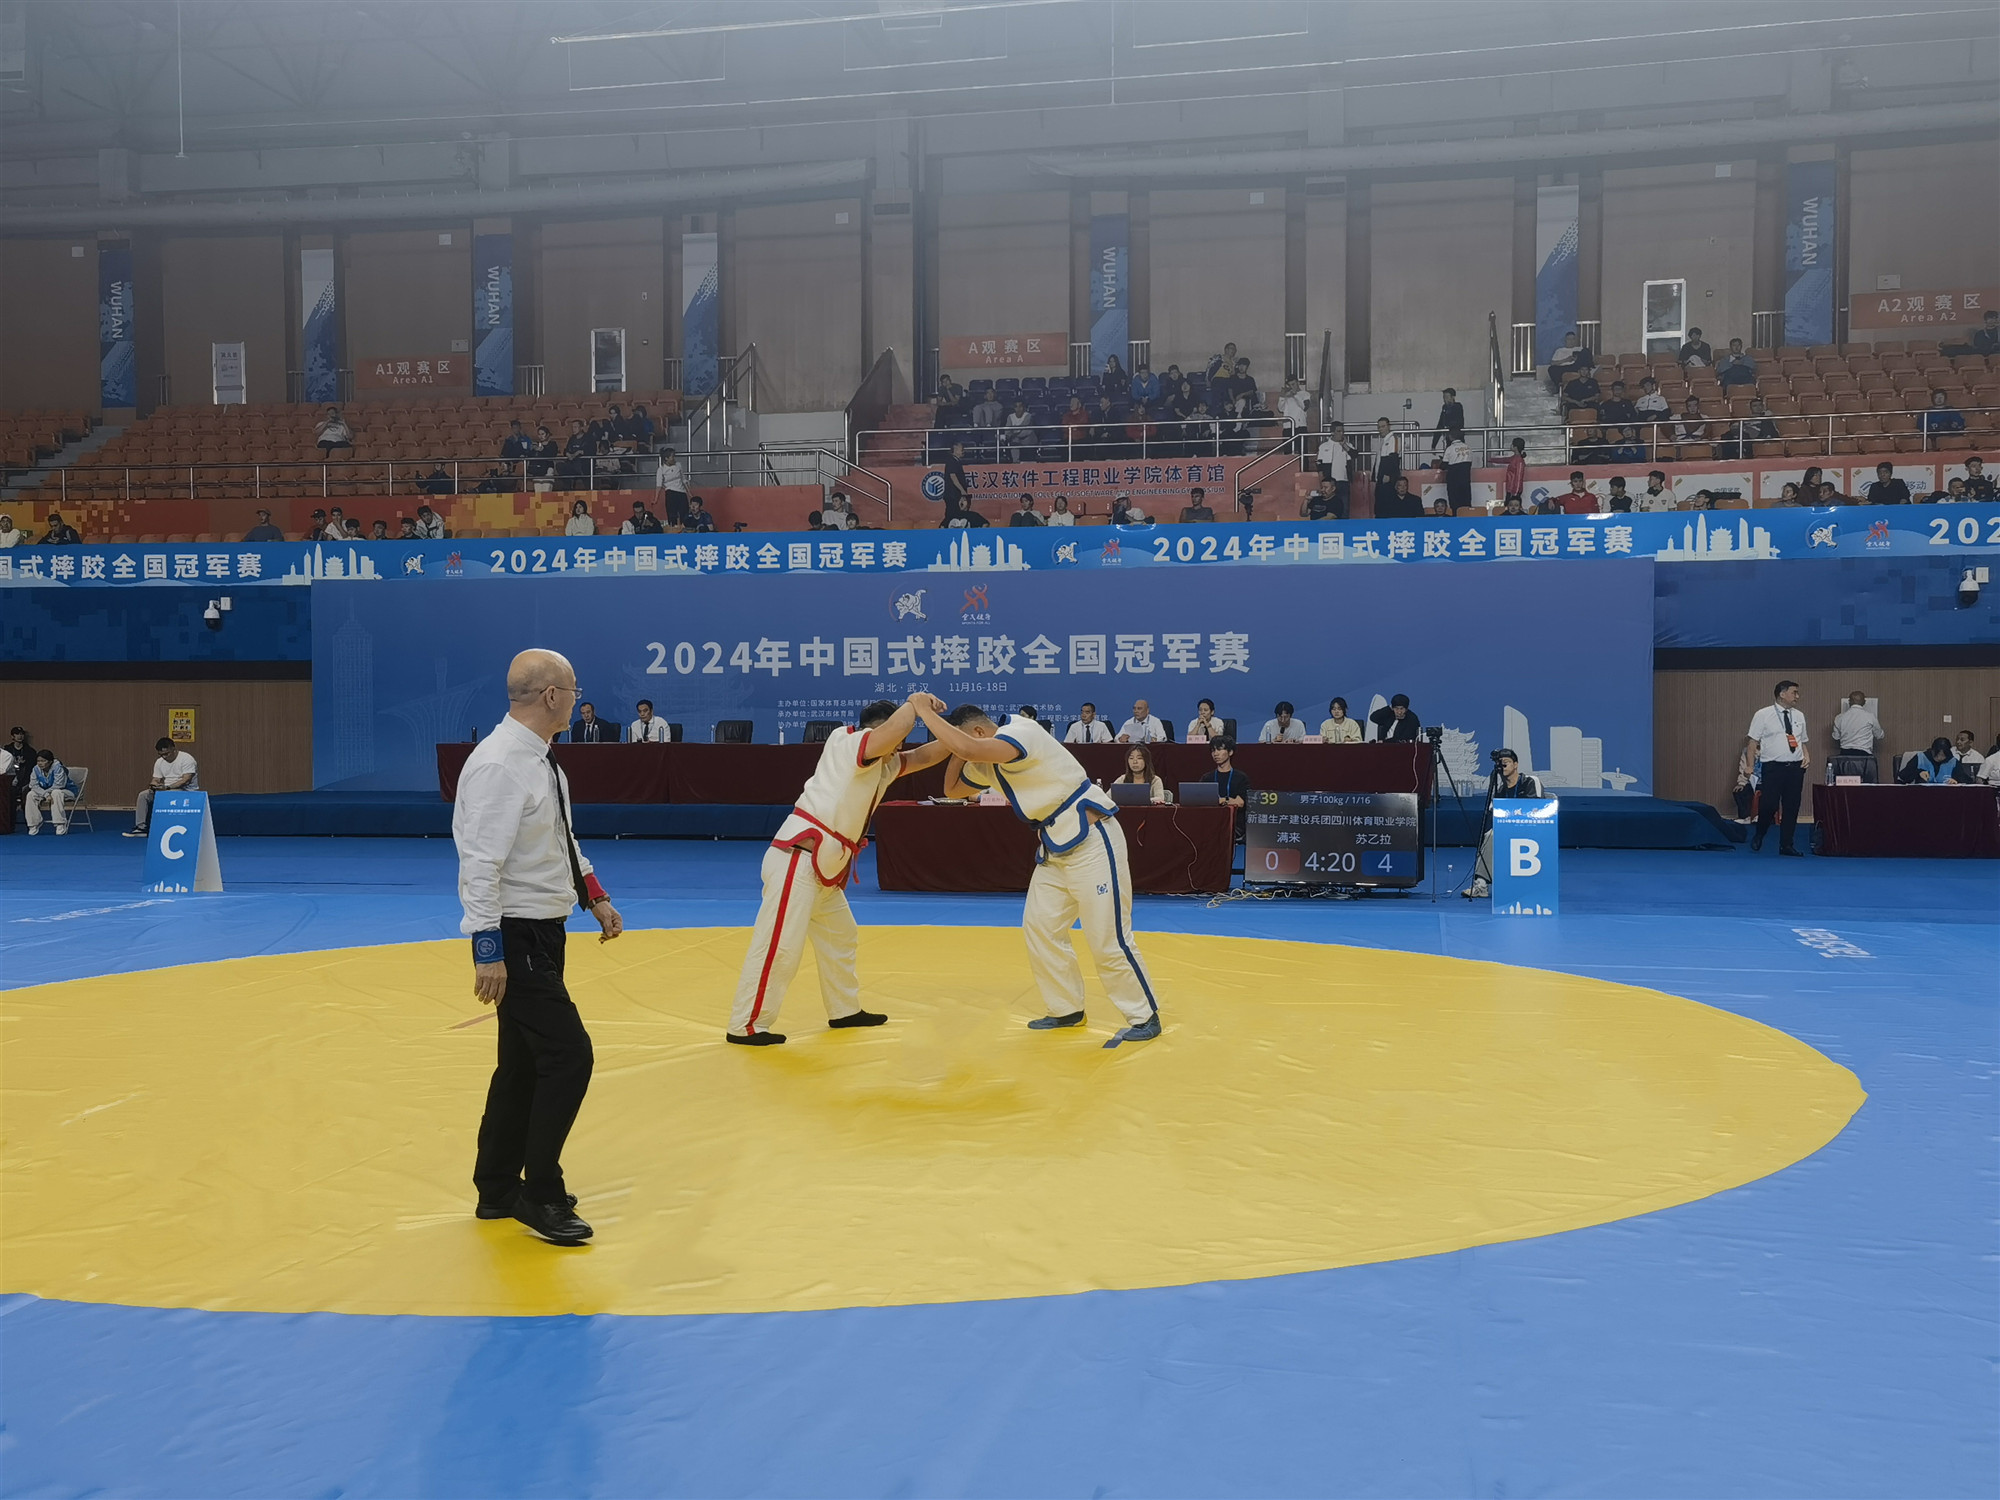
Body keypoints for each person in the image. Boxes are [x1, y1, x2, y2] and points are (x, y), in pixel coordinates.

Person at [453, 648, 622, 1246]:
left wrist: (593, 894)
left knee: (523, 1063)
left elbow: (560, 838)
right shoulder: (500, 764)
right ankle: (540, 1191)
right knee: (569, 1055)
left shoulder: (542, 760)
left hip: (546, 928)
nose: (577, 700)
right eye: (574, 690)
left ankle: (497, 1187)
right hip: (515, 931)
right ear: (551, 695)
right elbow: (480, 864)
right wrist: (488, 949)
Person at [919, 699, 1161, 1045]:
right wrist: (958, 747)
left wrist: (924, 712)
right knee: (1041, 928)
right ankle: (1066, 1008)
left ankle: (1144, 1015)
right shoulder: (986, 760)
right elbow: (952, 789)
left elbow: (970, 747)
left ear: (978, 732)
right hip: (1055, 846)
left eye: (963, 740)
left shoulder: (1021, 730)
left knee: (1107, 936)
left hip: (1092, 839)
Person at [728, 698, 951, 1044]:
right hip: (797, 859)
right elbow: (894, 730)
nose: (899, 747)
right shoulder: (848, 742)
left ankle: (844, 1010)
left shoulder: (882, 762)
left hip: (822, 869)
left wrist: (960, 737)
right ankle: (746, 1024)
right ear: (878, 731)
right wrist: (915, 703)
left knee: (840, 936)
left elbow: (923, 757)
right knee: (779, 945)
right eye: (896, 740)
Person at [1463, 749, 1545, 898]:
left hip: (1531, 829)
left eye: (1506, 762)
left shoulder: (1530, 781)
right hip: (1507, 831)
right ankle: (1481, 884)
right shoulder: (1500, 789)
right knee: (1490, 835)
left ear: (1515, 765)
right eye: (1500, 763)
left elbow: (1537, 807)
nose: (1503, 766)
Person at [1745, 680, 1809, 855]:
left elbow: (1802, 741)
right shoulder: (1763, 714)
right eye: (1794, 692)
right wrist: (1750, 766)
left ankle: (1786, 845)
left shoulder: (1799, 715)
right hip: (1773, 767)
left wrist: (1806, 755)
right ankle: (1760, 833)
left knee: (1792, 806)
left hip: (1795, 767)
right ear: (1782, 694)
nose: (1797, 696)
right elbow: (1752, 743)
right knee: (1769, 805)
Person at [124, 736, 198, 837]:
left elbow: (186, 780)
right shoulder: (159, 762)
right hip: (166, 789)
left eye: (166, 754)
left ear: (173, 749)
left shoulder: (187, 759)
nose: (164, 757)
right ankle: (141, 827)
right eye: (161, 755)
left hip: (186, 791)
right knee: (143, 795)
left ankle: (164, 827)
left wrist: (167, 788)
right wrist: (154, 786)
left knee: (168, 794)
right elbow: (156, 779)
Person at [1206, 735, 1251, 842]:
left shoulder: (1241, 777)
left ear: (1230, 752)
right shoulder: (1207, 777)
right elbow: (1201, 800)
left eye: (1220, 749)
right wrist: (1227, 800)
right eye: (1213, 750)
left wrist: (1223, 800)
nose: (1215, 754)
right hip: (1211, 823)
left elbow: (1240, 803)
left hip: (1234, 825)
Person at [24, 748, 70, 834]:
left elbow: (59, 785)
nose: (40, 763)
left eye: (43, 761)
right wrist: (45, 794)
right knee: (31, 794)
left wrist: (46, 793)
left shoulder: (58, 767)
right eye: (38, 761)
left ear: (50, 762)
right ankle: (34, 823)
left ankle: (60, 823)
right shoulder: (35, 769)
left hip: (65, 790)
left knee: (56, 793)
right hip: (45, 792)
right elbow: (33, 785)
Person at [1316, 423, 1352, 516]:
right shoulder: (1324, 446)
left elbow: (1355, 455)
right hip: (1329, 482)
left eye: (1342, 431)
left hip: (1343, 481)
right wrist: (1321, 483)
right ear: (1332, 432)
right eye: (1339, 431)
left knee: (1344, 508)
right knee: (1329, 508)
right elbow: (1319, 466)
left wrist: (1345, 446)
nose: (1341, 433)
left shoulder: (1348, 445)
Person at [1371, 417, 1403, 515]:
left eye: (1383, 426)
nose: (1381, 429)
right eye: (1379, 427)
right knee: (1379, 507)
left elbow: (1394, 458)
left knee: (1387, 507)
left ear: (1389, 426)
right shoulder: (1383, 441)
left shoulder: (1393, 438)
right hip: (1380, 479)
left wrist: (1389, 475)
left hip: (1387, 479)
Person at [1902, 737, 1967, 785]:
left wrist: (1956, 781)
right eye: (1937, 754)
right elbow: (1902, 777)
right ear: (1932, 750)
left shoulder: (1952, 761)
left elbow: (1966, 780)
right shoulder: (1920, 757)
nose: (1939, 758)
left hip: (1946, 794)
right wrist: (1918, 773)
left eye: (1943, 755)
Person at [1546, 329, 1590, 396]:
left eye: (1573, 339)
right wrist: (1566, 360)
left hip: (1576, 367)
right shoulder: (1559, 350)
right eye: (1569, 339)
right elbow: (1553, 363)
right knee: (1551, 369)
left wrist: (1577, 359)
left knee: (1585, 354)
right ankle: (1559, 387)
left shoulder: (1579, 349)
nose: (1571, 341)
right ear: (1565, 340)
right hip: (1563, 368)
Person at [1441, 430, 1472, 512]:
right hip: (1465, 478)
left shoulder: (1450, 449)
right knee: (1466, 501)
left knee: (1454, 502)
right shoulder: (1467, 447)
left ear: (1450, 437)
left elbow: (1443, 465)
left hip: (1453, 479)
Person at [657, 448, 689, 528]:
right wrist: (656, 498)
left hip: (681, 492)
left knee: (685, 515)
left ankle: (685, 530)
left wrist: (689, 492)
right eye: (672, 457)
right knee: (672, 515)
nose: (674, 458)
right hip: (670, 493)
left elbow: (683, 479)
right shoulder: (661, 469)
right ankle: (673, 529)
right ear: (666, 458)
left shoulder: (678, 465)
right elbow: (659, 485)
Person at [1501, 436, 1527, 512]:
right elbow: (1504, 460)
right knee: (1508, 508)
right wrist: (1490, 459)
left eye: (1512, 444)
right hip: (1510, 489)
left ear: (1515, 447)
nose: (1510, 445)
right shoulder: (1515, 458)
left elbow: (1519, 478)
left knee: (1513, 510)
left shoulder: (1519, 460)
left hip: (1514, 490)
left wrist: (1515, 493)